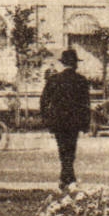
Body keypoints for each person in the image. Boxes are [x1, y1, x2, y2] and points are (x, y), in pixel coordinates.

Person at [39, 49, 92, 190]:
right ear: (75, 64)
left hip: (58, 120)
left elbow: (44, 100)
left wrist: (46, 117)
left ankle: (65, 178)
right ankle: (68, 177)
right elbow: (86, 104)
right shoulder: (81, 80)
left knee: (62, 148)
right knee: (70, 148)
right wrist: (86, 123)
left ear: (63, 63)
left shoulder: (54, 80)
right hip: (74, 120)